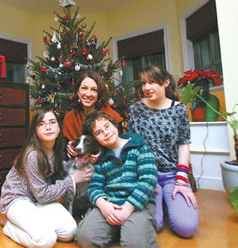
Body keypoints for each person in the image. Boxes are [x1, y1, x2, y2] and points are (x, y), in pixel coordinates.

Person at [0, 106, 92, 248]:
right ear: (35, 131)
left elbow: (58, 178)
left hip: (38, 201)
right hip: (18, 199)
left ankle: (32, 221)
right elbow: (43, 194)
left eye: (52, 122)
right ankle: (9, 225)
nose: (48, 127)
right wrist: (73, 179)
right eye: (41, 124)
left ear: (59, 127)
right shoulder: (33, 155)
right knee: (46, 240)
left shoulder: (57, 150)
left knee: (70, 232)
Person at [128, 65, 199, 238]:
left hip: (172, 176)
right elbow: (133, 146)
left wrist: (182, 181)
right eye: (144, 83)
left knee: (186, 228)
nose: (147, 88)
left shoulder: (179, 109)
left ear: (165, 82)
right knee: (154, 225)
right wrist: (141, 179)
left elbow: (184, 144)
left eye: (152, 82)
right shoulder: (135, 110)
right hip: (147, 175)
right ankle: (162, 205)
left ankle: (170, 201)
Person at [76, 111, 158, 247]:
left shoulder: (139, 146)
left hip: (138, 205)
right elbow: (94, 187)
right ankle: (117, 229)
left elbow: (148, 180)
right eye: (99, 133)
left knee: (135, 243)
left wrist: (128, 208)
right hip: (111, 203)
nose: (106, 133)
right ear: (96, 140)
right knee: (85, 237)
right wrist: (103, 205)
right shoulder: (101, 157)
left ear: (115, 126)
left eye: (107, 126)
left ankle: (135, 228)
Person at [63, 70, 123, 157]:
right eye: (84, 88)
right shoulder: (70, 118)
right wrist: (70, 149)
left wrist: (101, 154)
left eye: (94, 90)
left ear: (99, 94)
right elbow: (66, 149)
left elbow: (120, 146)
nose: (88, 94)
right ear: (77, 91)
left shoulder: (112, 115)